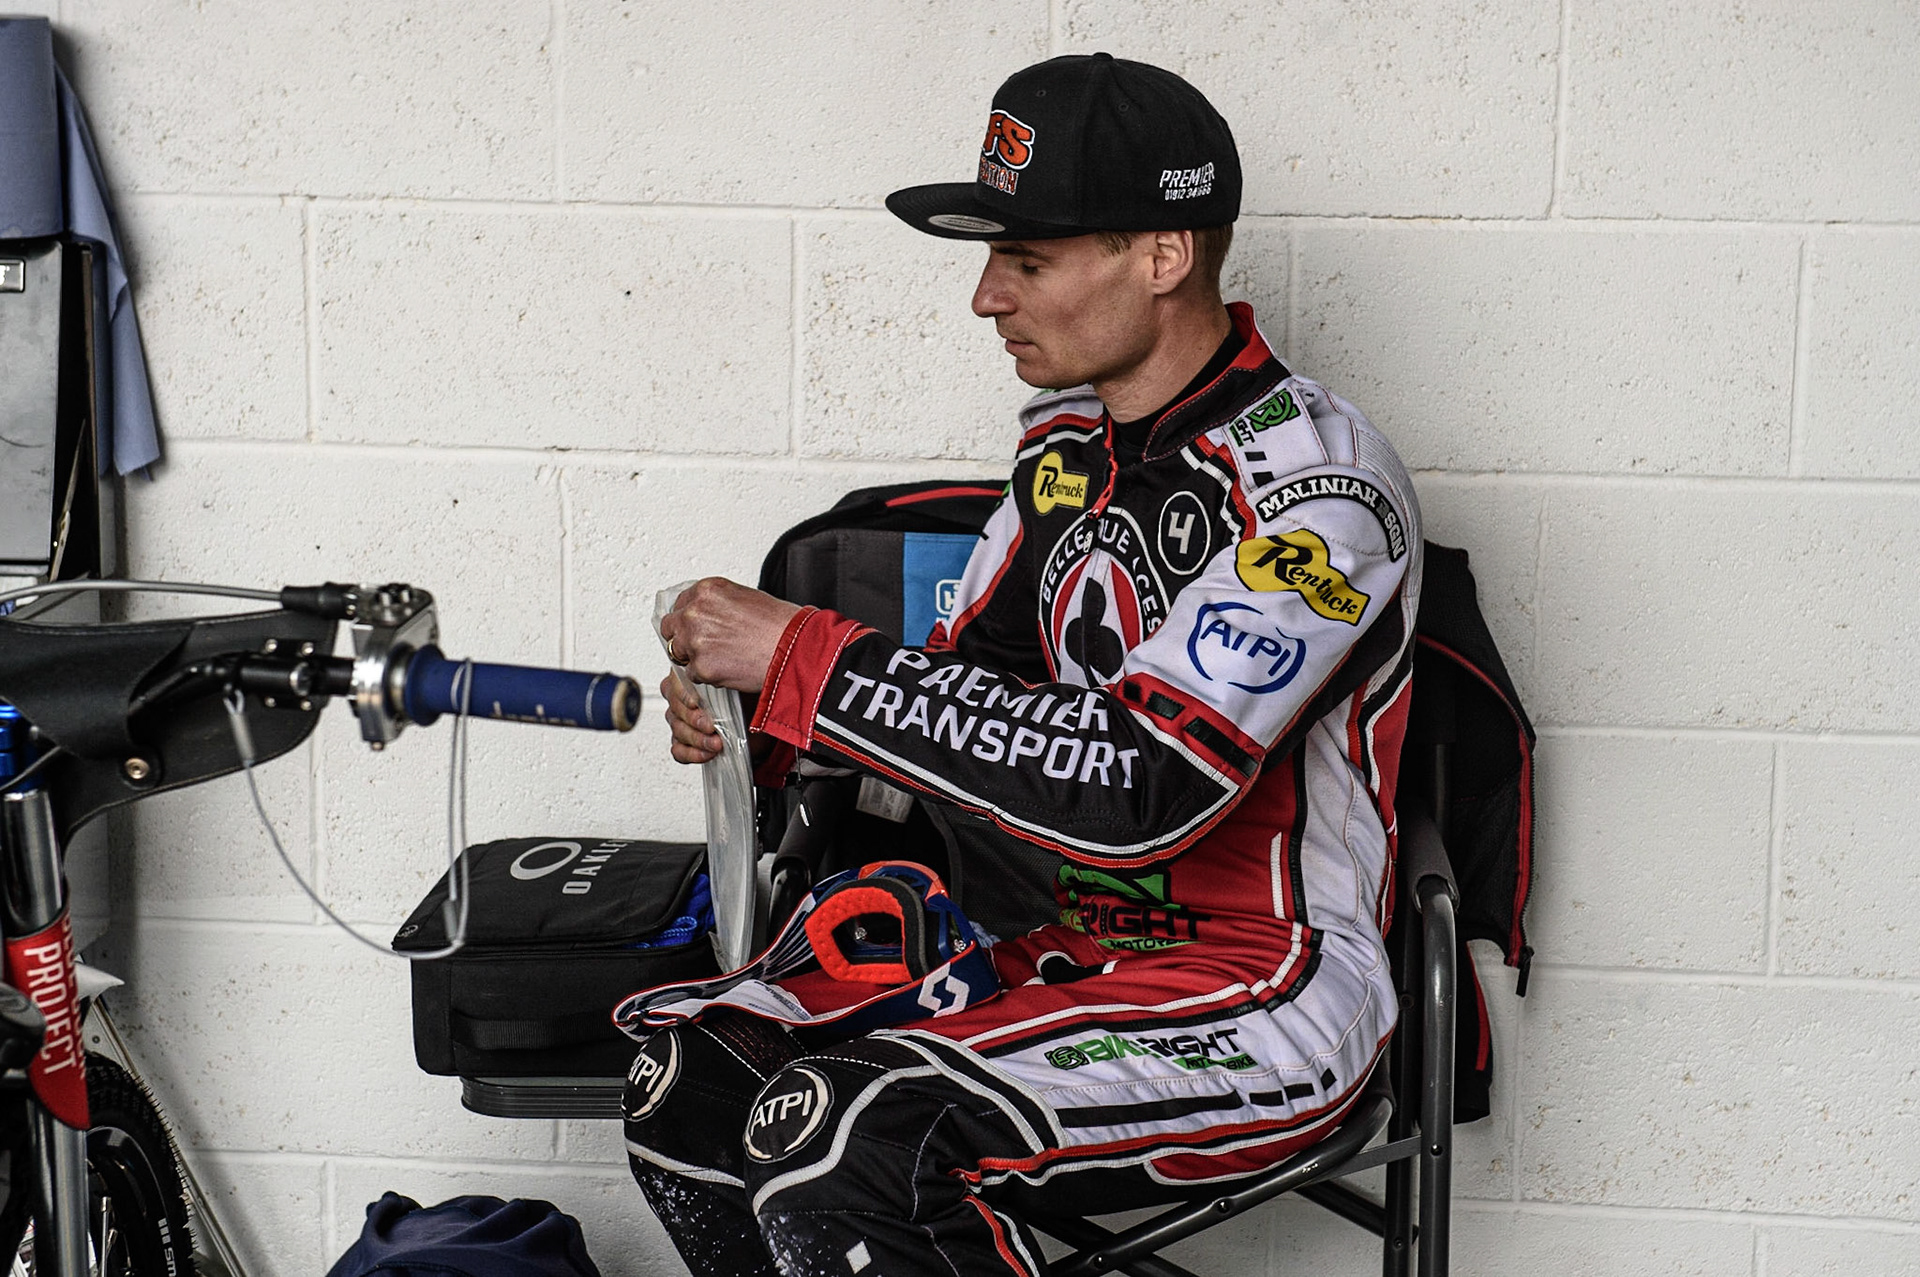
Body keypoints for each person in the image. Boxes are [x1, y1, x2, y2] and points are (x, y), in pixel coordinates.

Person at [637, 52, 1422, 1277]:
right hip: (1051, 945)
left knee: (861, 1143)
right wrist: (763, 712)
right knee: (687, 1074)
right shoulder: (1064, 451)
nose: (986, 299)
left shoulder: (1323, 493)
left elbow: (1137, 789)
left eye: (1028, 260)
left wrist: (804, 655)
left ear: (1162, 255)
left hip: (1267, 983)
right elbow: (961, 711)